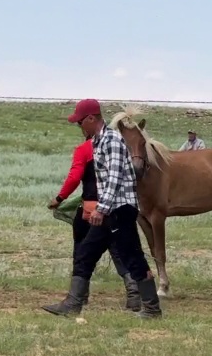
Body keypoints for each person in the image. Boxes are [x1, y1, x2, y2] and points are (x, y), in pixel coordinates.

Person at [43, 98, 162, 318]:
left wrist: (101, 209)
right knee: (86, 253)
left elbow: (114, 179)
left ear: (91, 118)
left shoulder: (112, 141)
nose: (78, 126)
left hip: (119, 210)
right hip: (110, 210)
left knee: (132, 257)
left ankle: (152, 309)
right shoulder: (98, 142)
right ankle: (73, 303)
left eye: (80, 122)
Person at [48, 135, 141, 311]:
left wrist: (60, 198)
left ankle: (80, 296)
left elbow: (74, 177)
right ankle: (134, 296)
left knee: (82, 252)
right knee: (120, 252)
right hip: (117, 209)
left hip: (91, 211)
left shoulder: (84, 149)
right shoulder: (120, 149)